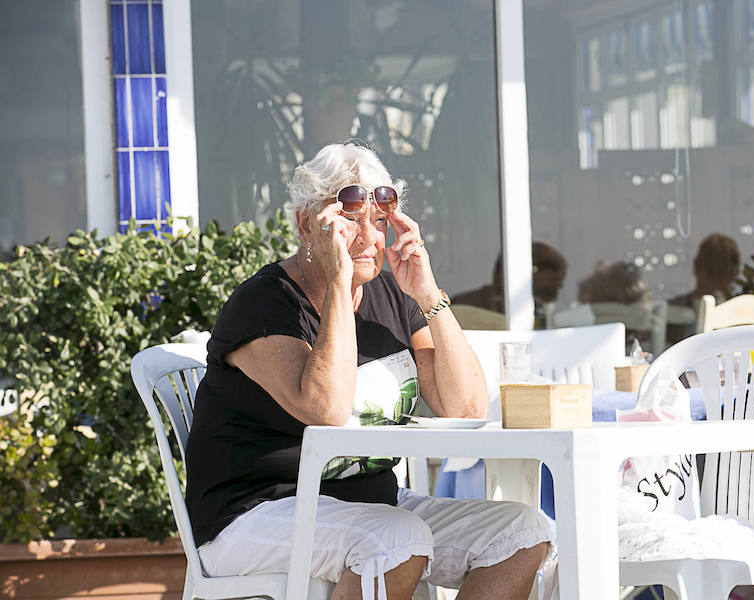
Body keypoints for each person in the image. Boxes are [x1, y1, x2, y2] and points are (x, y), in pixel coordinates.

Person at [184, 142, 552, 600]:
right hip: (255, 513)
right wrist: (338, 281)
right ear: (306, 224)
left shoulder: (391, 295)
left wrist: (426, 292)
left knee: (522, 532)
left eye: (378, 221)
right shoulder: (264, 302)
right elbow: (325, 409)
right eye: (348, 221)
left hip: (372, 504)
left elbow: (465, 404)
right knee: (395, 540)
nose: (368, 238)